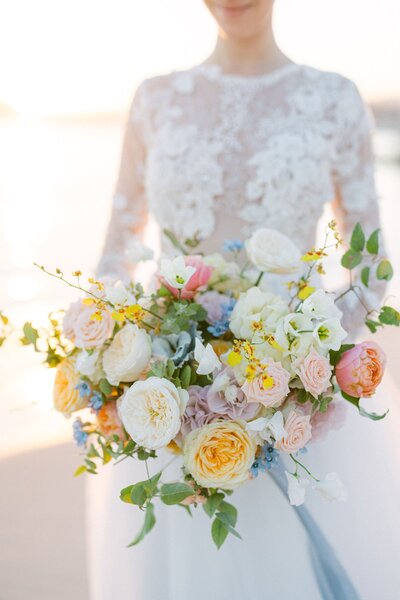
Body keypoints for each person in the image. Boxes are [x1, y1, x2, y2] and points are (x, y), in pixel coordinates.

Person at [87, 2, 400, 598]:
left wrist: (300, 353)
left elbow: (371, 266)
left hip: (296, 410)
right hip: (173, 409)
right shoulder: (155, 100)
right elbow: (113, 259)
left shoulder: (333, 99)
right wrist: (124, 349)